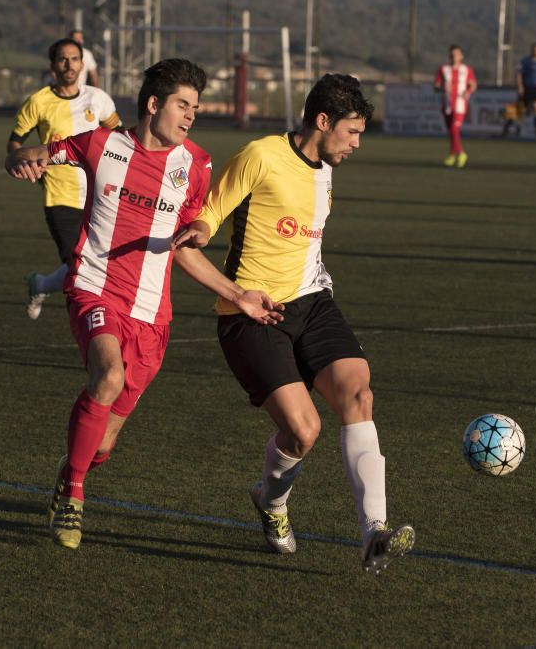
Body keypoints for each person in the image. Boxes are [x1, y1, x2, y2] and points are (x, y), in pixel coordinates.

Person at [5, 58, 284, 550]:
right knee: (107, 375)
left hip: (153, 316)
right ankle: (73, 496)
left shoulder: (195, 165)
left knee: (104, 444)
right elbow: (34, 155)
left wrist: (238, 294)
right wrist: (23, 159)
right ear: (154, 104)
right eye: (183, 104)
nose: (191, 115)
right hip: (95, 289)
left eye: (195, 107)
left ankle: (71, 471)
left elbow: (187, 248)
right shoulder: (100, 145)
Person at [171, 74, 415, 575]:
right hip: (252, 313)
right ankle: (272, 502)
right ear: (322, 121)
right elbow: (211, 213)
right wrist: (199, 228)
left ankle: (374, 533)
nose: (356, 143)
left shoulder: (325, 166)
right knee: (304, 433)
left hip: (313, 302)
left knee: (358, 393)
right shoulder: (260, 155)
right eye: (352, 132)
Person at [8, 37, 122, 320]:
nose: (69, 64)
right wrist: (23, 162)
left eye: (74, 58)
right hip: (61, 196)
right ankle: (95, 326)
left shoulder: (98, 99)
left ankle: (43, 284)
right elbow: (15, 144)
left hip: (101, 195)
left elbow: (120, 138)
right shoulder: (38, 102)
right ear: (53, 66)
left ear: (82, 64)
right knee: (80, 265)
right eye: (62, 59)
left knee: (100, 263)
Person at [434, 44, 477, 168]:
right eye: (452, 54)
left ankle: (461, 153)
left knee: (454, 129)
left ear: (461, 56)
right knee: (451, 131)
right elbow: (435, 86)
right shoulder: (443, 69)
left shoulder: (466, 70)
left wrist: (467, 92)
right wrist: (442, 87)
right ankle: (452, 155)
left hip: (460, 105)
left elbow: (473, 85)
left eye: (457, 54)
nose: (454, 56)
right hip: (447, 104)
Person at [504, 42, 536, 141]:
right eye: (534, 49)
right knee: (519, 110)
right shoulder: (526, 61)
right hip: (526, 88)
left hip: (535, 89)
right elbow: (519, 74)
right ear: (531, 50)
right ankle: (506, 128)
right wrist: (520, 87)